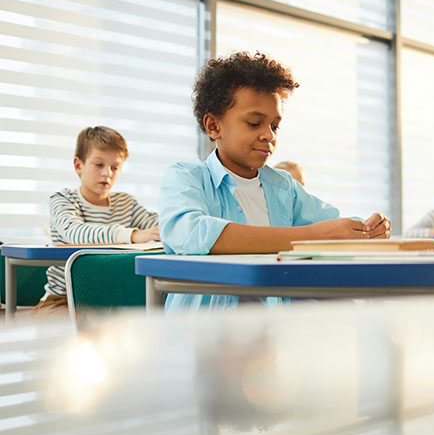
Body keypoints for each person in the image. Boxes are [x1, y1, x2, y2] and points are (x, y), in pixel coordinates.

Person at [159, 51, 391, 309]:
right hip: (200, 336)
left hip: (267, 332)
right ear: (214, 126)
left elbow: (331, 225)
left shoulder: (283, 187)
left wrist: (368, 229)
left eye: (275, 126)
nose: (268, 135)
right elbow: (192, 233)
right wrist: (308, 237)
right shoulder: (185, 177)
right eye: (254, 123)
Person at [35, 126, 160, 314]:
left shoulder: (125, 203)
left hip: (109, 303)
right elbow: (75, 233)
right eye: (99, 165)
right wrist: (132, 235)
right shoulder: (62, 200)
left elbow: (157, 225)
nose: (107, 173)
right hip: (62, 300)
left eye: (115, 167)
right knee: (78, 333)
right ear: (79, 165)